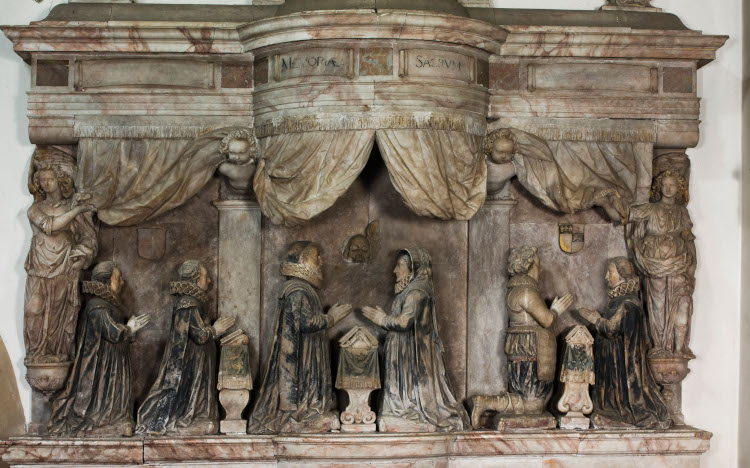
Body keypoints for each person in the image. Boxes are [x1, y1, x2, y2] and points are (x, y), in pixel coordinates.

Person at [362, 248, 469, 432]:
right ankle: (402, 409)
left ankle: (408, 409)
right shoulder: (411, 291)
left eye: (399, 265)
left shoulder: (417, 292)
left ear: (414, 268)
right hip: (403, 352)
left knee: (405, 398)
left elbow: (404, 322)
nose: (395, 271)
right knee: (398, 398)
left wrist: (382, 320)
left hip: (410, 356)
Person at [249, 241, 351, 433]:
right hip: (301, 356)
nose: (320, 262)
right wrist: (331, 318)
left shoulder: (301, 288)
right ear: (303, 260)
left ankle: (309, 410)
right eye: (316, 257)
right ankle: (300, 414)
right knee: (305, 389)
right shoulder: (297, 290)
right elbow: (304, 323)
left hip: (309, 351)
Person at [48, 262, 150, 437]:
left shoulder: (107, 305)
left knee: (114, 395)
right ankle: (101, 421)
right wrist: (129, 329)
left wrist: (128, 331)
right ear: (106, 281)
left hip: (112, 362)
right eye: (118, 278)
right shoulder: (97, 306)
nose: (123, 283)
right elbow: (111, 331)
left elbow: (114, 333)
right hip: (100, 367)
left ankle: (113, 419)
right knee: (102, 399)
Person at [136, 260, 235, 435]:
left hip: (196, 358)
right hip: (189, 360)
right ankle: (182, 419)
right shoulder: (188, 303)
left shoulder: (192, 302)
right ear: (197, 279)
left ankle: (195, 416)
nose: (209, 281)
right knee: (188, 390)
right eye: (206, 277)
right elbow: (198, 335)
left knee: (195, 392)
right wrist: (216, 329)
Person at [579, 257, 672, 429]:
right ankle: (611, 411)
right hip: (611, 360)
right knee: (609, 395)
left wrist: (595, 319)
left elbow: (612, 329)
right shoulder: (617, 302)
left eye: (610, 272)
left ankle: (624, 414)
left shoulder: (629, 304)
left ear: (622, 276)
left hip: (621, 362)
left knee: (621, 395)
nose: (607, 277)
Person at [24, 149, 97, 364]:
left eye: (50, 178)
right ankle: (36, 354)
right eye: (42, 179)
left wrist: (82, 258)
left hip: (65, 267)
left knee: (59, 313)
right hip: (38, 268)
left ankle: (57, 356)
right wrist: (76, 210)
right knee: (33, 310)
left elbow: (89, 239)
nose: (46, 183)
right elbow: (50, 226)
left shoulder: (71, 207)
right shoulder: (35, 209)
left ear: (60, 179)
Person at [627, 170, 696, 358]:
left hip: (679, 262)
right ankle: (659, 347)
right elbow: (627, 214)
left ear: (678, 188)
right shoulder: (651, 209)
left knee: (684, 301)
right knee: (657, 308)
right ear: (658, 187)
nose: (668, 188)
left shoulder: (682, 212)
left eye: (672, 185)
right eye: (664, 185)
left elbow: (689, 239)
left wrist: (692, 266)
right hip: (654, 264)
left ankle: (679, 348)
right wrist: (611, 197)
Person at [504, 246, 573, 415]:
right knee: (533, 404)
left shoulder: (514, 291)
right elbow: (547, 320)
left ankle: (490, 403)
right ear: (529, 267)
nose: (540, 269)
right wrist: (556, 309)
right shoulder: (527, 292)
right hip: (531, 348)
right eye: (537, 265)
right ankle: (486, 402)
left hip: (522, 346)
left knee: (527, 398)